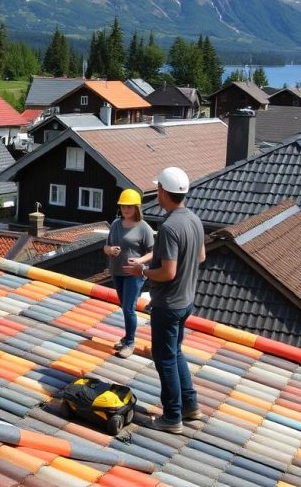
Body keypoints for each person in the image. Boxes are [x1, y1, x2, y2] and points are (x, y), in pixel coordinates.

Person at [124, 167, 205, 434]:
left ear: (162, 192)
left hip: (168, 304)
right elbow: (201, 257)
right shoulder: (193, 219)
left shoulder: (170, 227)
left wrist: (142, 271)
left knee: (165, 358)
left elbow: (168, 272)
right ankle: (190, 405)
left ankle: (172, 417)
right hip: (186, 301)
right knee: (175, 352)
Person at [104, 189, 153, 359]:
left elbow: (152, 252)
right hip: (117, 271)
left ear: (137, 208)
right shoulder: (116, 224)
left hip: (134, 274)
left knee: (128, 308)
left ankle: (130, 343)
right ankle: (127, 337)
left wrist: (140, 261)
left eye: (129, 207)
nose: (126, 210)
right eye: (123, 207)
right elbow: (106, 247)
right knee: (125, 308)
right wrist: (110, 250)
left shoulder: (143, 227)